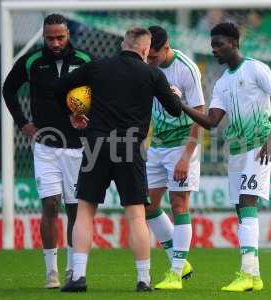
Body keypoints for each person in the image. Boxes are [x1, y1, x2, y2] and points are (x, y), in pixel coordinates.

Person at [54, 27, 182, 293]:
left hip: (97, 145)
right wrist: (175, 95)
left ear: (123, 44)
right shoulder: (152, 73)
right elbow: (173, 109)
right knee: (136, 215)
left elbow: (59, 87)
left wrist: (76, 111)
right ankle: (143, 280)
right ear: (146, 50)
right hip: (130, 148)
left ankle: (78, 277)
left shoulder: (98, 67)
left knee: (85, 211)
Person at [181, 23, 271, 292]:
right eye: (212, 45)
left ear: (234, 42)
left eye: (219, 44)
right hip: (237, 150)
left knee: (247, 202)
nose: (214, 50)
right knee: (240, 209)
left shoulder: (256, 68)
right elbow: (210, 122)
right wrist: (181, 105)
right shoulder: (222, 82)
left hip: (259, 146)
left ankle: (246, 273)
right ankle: (253, 275)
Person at [2, 13, 93, 289]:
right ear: (44, 36)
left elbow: (102, 92)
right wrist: (23, 124)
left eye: (60, 37)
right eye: (50, 37)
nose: (55, 43)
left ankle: (73, 270)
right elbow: (7, 90)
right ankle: (51, 271)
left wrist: (91, 117)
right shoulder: (32, 61)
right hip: (45, 146)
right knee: (50, 204)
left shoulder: (85, 61)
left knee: (75, 209)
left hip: (78, 147)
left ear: (69, 35)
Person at [145, 26, 205, 290]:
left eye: (154, 56)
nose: (150, 61)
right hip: (157, 144)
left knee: (179, 204)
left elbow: (200, 114)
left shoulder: (186, 68)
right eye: (147, 56)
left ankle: (176, 272)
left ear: (166, 48)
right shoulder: (146, 66)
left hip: (181, 145)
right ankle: (178, 261)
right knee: (146, 205)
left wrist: (186, 157)